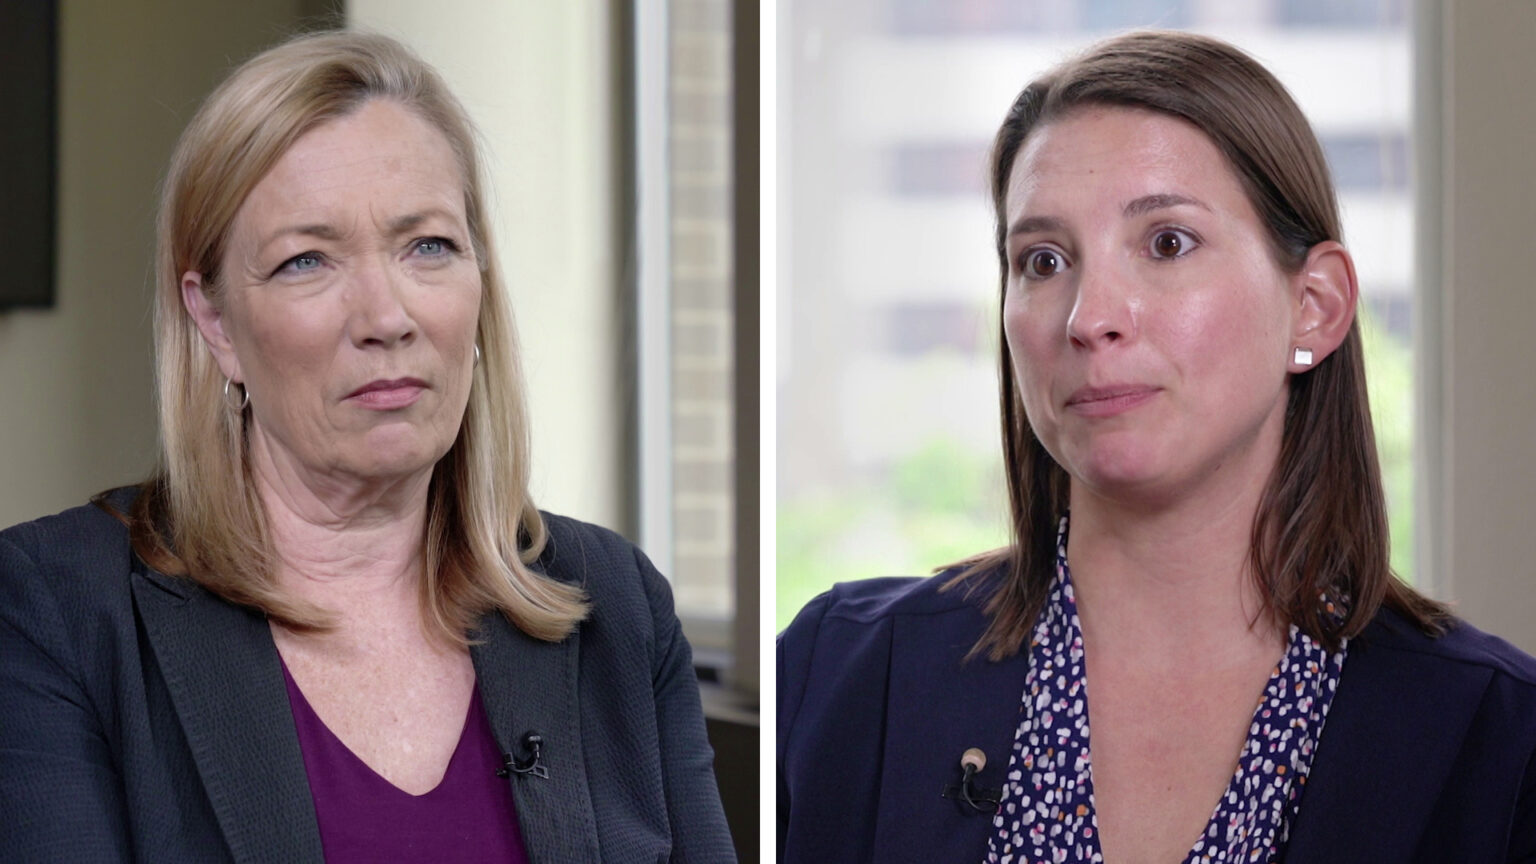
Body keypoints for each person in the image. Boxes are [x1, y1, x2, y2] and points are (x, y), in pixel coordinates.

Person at [777, 30, 1536, 864]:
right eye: (1044, 259)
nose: (1088, 315)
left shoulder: (1502, 741)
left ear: (1315, 305)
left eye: (1167, 243)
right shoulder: (835, 676)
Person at [0, 31, 734, 863]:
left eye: (428, 246)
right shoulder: (48, 612)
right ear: (215, 323)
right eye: (306, 260)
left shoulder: (618, 606)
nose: (387, 317)